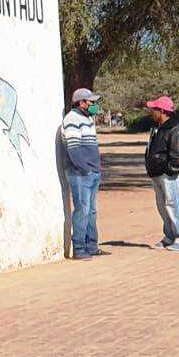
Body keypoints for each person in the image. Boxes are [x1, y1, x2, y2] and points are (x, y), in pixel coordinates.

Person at [61, 88, 107, 260]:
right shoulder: (72, 119)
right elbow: (74, 149)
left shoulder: (88, 119)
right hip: (80, 173)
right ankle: (79, 248)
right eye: (91, 102)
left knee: (92, 211)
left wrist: (95, 169)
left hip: (93, 172)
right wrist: (85, 169)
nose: (94, 105)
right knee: (82, 210)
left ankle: (92, 245)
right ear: (82, 103)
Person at [143, 95, 179, 251]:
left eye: (155, 110)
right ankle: (170, 235)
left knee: (173, 204)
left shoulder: (178, 130)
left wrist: (168, 170)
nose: (153, 112)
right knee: (162, 206)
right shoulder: (158, 128)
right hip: (157, 173)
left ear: (163, 111)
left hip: (169, 174)